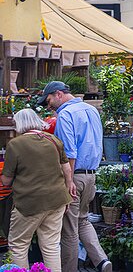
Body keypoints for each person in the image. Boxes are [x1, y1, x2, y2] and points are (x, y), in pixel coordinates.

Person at [36, 81, 113, 272]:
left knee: (69, 228)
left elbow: (69, 152)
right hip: (91, 175)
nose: (49, 106)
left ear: (59, 94)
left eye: (49, 101)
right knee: (83, 220)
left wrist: (67, 181)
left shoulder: (65, 114)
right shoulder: (92, 110)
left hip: (74, 176)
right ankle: (102, 261)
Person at [1, 109, 75, 272]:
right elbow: (66, 170)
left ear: (19, 124)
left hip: (28, 204)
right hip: (57, 200)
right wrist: (69, 189)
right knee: (51, 246)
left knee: (19, 245)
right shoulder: (54, 140)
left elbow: (6, 181)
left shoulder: (15, 144)